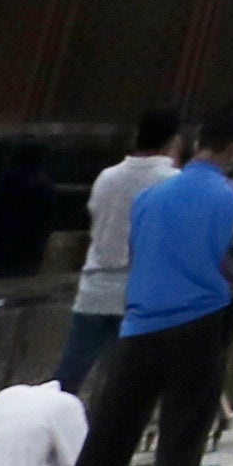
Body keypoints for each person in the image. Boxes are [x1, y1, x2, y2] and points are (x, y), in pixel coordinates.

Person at [44, 113, 233, 466]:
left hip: (139, 326)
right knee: (181, 444)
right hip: (200, 325)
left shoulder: (149, 197)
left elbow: (136, 251)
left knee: (106, 443)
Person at [59, 111, 179, 394]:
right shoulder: (174, 181)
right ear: (172, 142)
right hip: (139, 294)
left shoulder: (107, 177)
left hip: (94, 288)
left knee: (68, 376)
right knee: (119, 385)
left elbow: (95, 217)